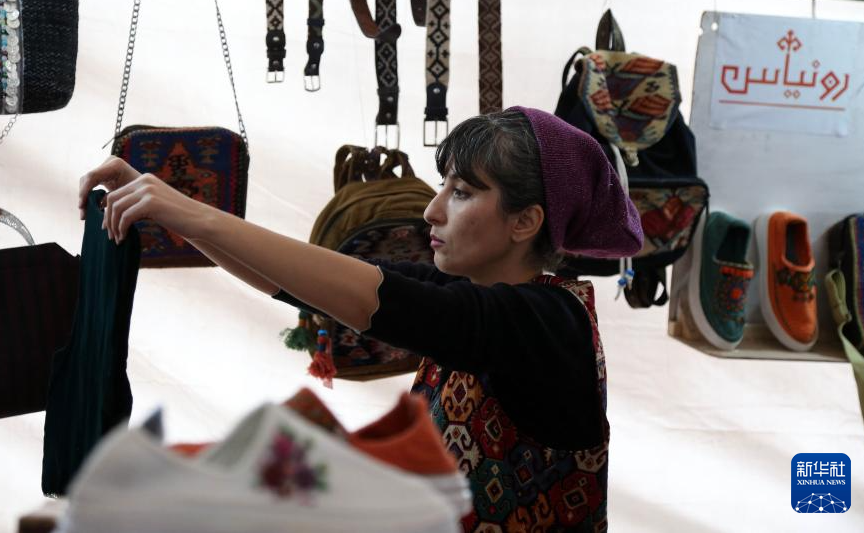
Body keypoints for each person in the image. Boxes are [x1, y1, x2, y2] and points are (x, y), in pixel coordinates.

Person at [78, 106, 642, 532]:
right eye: (444, 186)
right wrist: (180, 215)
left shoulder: (548, 322)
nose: (432, 210)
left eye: (462, 192)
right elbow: (302, 283)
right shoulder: (472, 293)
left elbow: (377, 299)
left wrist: (187, 211)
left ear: (525, 222)